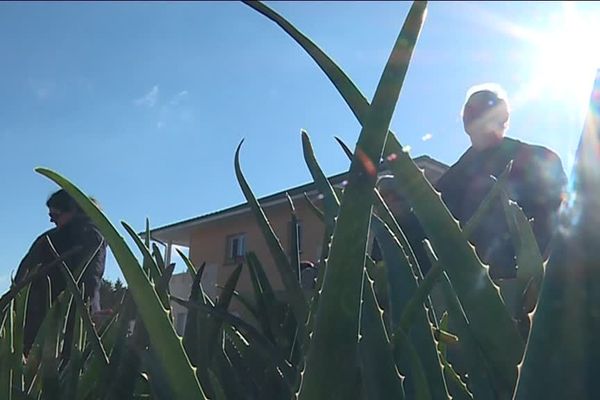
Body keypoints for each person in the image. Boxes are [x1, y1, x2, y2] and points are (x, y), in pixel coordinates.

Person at [434, 83, 567, 279]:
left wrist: (539, 279)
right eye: (470, 110)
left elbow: (561, 221)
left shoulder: (540, 159)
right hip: (465, 289)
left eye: (487, 107)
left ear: (504, 117)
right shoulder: (449, 182)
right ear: (464, 119)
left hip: (531, 284)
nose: (477, 114)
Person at [14, 189, 106, 355]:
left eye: (55, 215)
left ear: (74, 210)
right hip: (67, 324)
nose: (51, 220)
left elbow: (20, 279)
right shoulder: (94, 236)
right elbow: (91, 279)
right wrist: (92, 312)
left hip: (35, 322)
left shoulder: (49, 239)